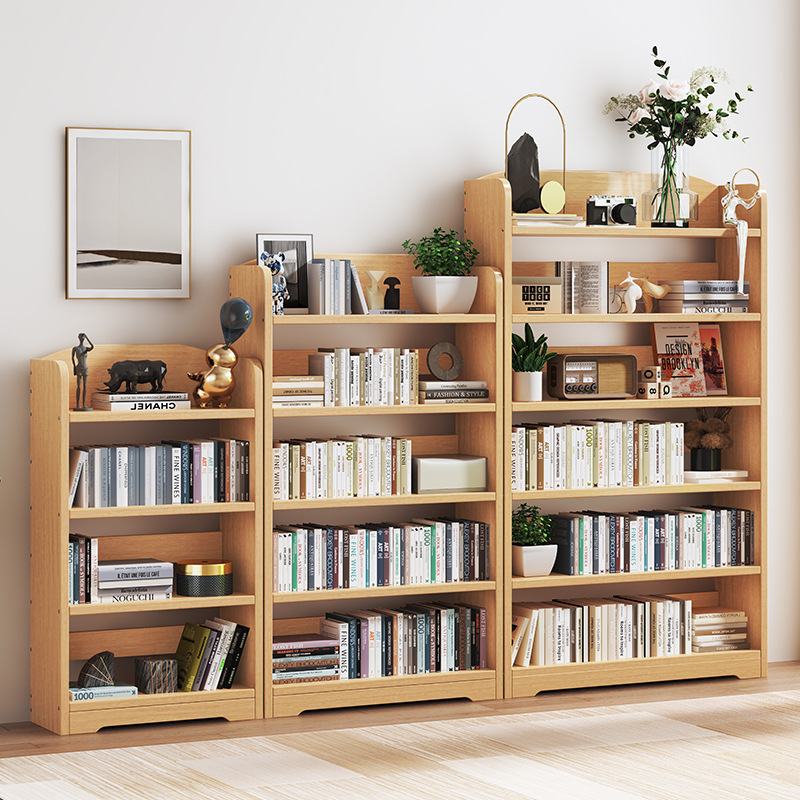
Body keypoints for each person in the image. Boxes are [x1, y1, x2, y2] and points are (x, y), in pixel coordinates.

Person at [721, 180, 761, 296]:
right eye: (729, 187)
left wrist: (755, 197)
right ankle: (739, 287)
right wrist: (731, 194)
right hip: (728, 220)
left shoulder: (736, 199)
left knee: (744, 224)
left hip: (735, 219)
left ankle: (740, 287)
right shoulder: (726, 198)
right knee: (741, 225)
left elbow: (748, 206)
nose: (731, 188)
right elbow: (724, 203)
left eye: (732, 186)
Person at [71, 333, 94, 410]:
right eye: (81, 337)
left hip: (85, 368)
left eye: (83, 337)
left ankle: (84, 403)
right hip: (79, 368)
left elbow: (92, 347)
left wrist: (87, 337)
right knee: (79, 386)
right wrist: (74, 367)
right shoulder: (75, 348)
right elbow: (72, 358)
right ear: (78, 338)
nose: (82, 338)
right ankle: (77, 404)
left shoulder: (86, 349)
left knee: (85, 386)